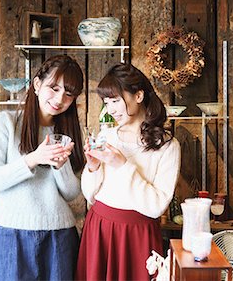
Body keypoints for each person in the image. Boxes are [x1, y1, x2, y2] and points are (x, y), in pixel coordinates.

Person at [0, 55, 85, 281]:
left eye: (68, 94)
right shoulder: (5, 122)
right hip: (9, 234)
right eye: (54, 88)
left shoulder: (67, 134)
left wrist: (60, 167)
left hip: (59, 234)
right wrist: (32, 159)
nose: (59, 99)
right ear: (37, 84)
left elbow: (71, 193)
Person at [76, 63, 181, 281]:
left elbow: (157, 207)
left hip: (138, 235)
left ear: (139, 95)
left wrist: (122, 165)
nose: (110, 109)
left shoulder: (168, 145)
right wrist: (93, 166)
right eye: (106, 103)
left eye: (115, 100)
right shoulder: (107, 136)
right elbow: (91, 195)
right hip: (100, 228)